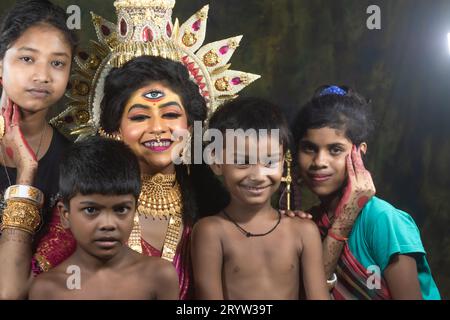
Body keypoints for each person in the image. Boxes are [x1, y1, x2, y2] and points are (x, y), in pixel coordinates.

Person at [292, 85, 441, 299]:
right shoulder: (310, 223)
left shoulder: (382, 220)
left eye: (335, 149)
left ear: (358, 153)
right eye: (309, 148)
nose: (319, 162)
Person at [98, 55, 228, 299]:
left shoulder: (213, 208)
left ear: (189, 128)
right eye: (139, 117)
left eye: (170, 115)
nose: (158, 128)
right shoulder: (91, 205)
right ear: (116, 130)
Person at [191, 97, 329, 300]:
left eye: (269, 161)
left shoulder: (303, 231)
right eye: (242, 162)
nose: (257, 176)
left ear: (284, 161)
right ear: (216, 162)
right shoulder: (211, 232)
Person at [28, 137, 179, 300]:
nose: (108, 224)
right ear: (65, 215)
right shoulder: (48, 289)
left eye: (121, 209)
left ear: (135, 211)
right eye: (91, 210)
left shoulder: (159, 275)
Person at [0, 0, 78, 299]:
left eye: (57, 63)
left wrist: (26, 172)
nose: (43, 75)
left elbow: (12, 291)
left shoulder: (73, 163)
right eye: (27, 59)